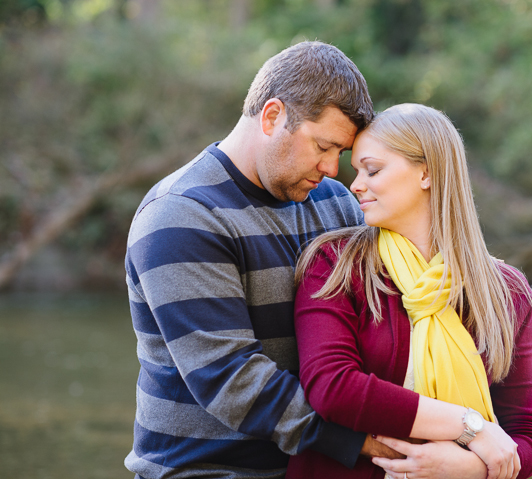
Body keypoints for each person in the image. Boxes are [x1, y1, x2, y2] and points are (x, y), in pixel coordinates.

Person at [124, 41, 388, 479]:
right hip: (206, 471)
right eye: (324, 146)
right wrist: (368, 444)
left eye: (340, 153)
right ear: (272, 116)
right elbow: (231, 380)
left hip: (315, 466)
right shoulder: (180, 215)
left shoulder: (337, 204)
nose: (332, 169)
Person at [287, 104, 532, 479]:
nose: (355, 184)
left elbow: (525, 434)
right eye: (356, 170)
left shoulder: (507, 292)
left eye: (372, 170)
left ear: (426, 172)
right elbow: (332, 387)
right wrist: (470, 426)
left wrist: (470, 468)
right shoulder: (335, 264)